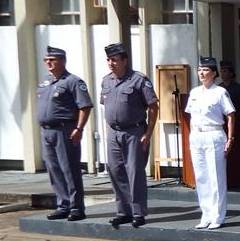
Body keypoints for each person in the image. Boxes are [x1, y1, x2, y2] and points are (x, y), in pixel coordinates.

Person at [100, 42, 159, 228]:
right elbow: (106, 108)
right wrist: (107, 131)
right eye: (109, 60)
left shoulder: (138, 80)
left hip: (134, 132)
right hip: (113, 133)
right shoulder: (106, 81)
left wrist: (148, 133)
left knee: (135, 173)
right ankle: (123, 211)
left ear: (124, 61)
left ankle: (138, 212)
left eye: (115, 60)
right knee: (116, 171)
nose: (111, 63)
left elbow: (153, 107)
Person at [37, 45, 93, 221]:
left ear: (62, 61)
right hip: (47, 131)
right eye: (46, 60)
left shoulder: (73, 82)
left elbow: (84, 106)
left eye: (52, 60)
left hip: (65, 130)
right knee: (54, 170)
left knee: (69, 169)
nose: (49, 63)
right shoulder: (46, 82)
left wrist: (79, 128)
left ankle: (76, 207)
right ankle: (63, 205)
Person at [185, 57, 236, 229]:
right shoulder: (194, 92)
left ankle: (218, 216)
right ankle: (206, 214)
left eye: (205, 70)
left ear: (214, 73)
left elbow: (230, 115)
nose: (201, 73)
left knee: (216, 177)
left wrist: (230, 138)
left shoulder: (220, 92)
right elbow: (191, 116)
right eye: (199, 69)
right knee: (201, 177)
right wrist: (192, 136)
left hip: (214, 134)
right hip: (197, 135)